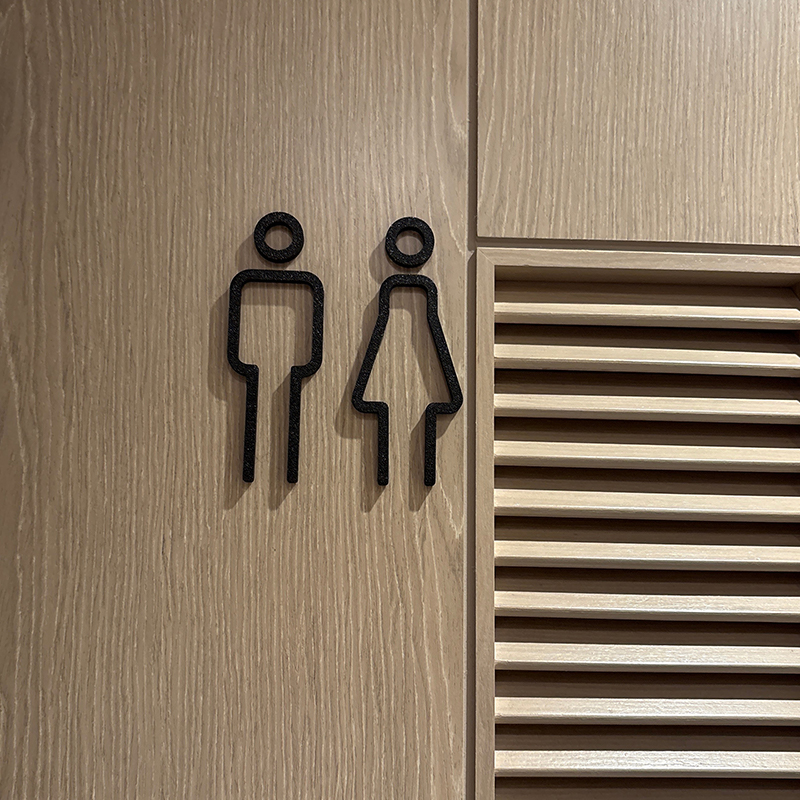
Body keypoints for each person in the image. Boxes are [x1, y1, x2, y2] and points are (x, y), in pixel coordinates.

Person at [352, 217, 462, 486]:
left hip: (424, 395)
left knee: (435, 405)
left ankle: (408, 476)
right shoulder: (391, 293)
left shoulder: (421, 294)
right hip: (388, 379)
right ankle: (389, 476)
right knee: (377, 407)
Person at [227, 212, 324, 483]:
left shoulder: (309, 284)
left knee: (287, 388)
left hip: (291, 368)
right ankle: (257, 470)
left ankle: (281, 471)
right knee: (257, 388)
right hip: (260, 367)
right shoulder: (245, 282)